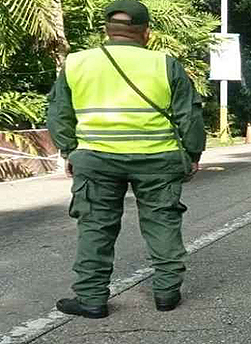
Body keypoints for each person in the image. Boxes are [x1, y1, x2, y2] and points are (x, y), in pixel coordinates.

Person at [46, 0, 205, 319]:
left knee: (95, 227)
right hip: (157, 160)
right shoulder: (164, 63)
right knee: (163, 222)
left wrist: (68, 150)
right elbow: (190, 113)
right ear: (146, 32)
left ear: (107, 30)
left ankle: (91, 299)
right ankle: (166, 294)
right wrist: (192, 153)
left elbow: (58, 112)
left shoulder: (77, 63)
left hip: (96, 160)